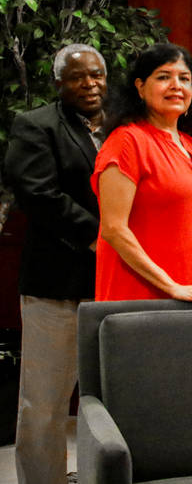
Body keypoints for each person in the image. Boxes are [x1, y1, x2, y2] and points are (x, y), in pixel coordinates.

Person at [4, 44, 106, 484]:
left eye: (97, 75)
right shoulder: (35, 125)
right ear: (58, 82)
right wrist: (101, 236)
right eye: (79, 77)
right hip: (56, 286)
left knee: (107, 400)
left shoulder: (120, 126)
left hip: (112, 286)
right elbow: (38, 194)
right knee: (45, 404)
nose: (91, 84)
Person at [92, 43, 192, 306]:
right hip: (140, 298)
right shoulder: (127, 142)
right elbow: (113, 229)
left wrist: (184, 290)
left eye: (184, 79)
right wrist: (172, 286)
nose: (176, 85)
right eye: (164, 77)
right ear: (140, 87)